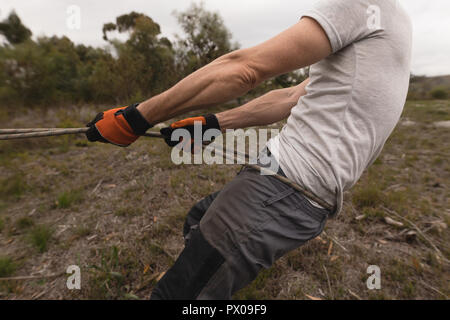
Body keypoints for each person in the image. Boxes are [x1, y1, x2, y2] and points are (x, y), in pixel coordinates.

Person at [85, 0, 412, 299]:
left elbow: (244, 69)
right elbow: (290, 98)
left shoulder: (362, 5)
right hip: (284, 182)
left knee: (178, 294)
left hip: (285, 188)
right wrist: (213, 124)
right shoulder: (390, 20)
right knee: (199, 220)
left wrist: (137, 117)